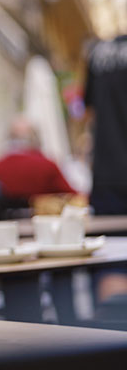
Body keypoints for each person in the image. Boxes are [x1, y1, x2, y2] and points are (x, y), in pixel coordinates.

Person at [84, 34, 127, 309]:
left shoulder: (98, 52)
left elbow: (89, 110)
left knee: (111, 258)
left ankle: (111, 343)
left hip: (106, 174)